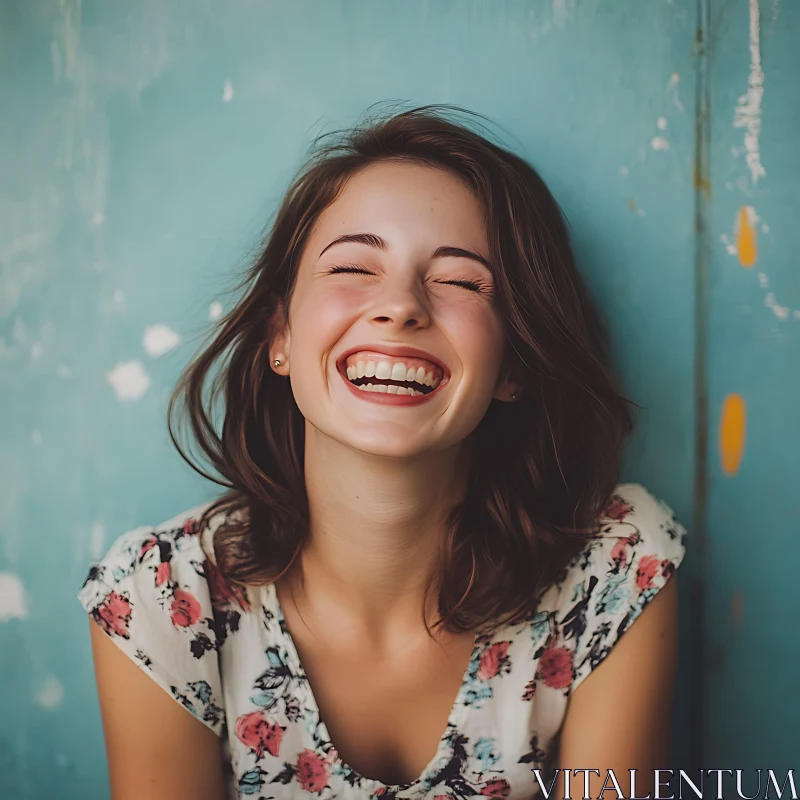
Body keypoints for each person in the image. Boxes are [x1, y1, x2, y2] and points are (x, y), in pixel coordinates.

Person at [78, 104, 687, 800]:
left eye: (461, 280)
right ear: (280, 334)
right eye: (353, 267)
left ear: (515, 364)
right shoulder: (159, 598)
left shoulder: (614, 571)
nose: (400, 307)